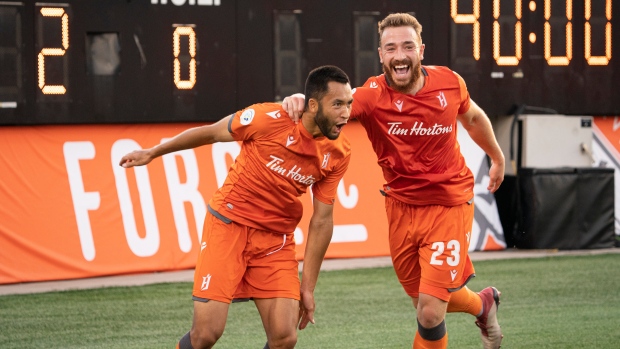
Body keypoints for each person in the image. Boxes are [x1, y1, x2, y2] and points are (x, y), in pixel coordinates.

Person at [283, 13, 505, 349]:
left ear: (421, 50)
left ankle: (478, 306)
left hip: (449, 204)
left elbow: (472, 117)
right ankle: (483, 304)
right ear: (381, 54)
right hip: (400, 208)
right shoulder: (371, 95)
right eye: (391, 48)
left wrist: (498, 157)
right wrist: (300, 102)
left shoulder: (449, 82)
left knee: (430, 312)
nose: (399, 54)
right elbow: (330, 108)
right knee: (425, 300)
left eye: (407, 46)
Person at [119, 65, 353, 349]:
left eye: (348, 104)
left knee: (285, 336)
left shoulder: (339, 151)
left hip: (275, 241)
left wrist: (308, 287)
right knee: (206, 334)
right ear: (313, 105)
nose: (346, 113)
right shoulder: (268, 118)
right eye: (337, 104)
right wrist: (153, 152)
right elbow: (212, 133)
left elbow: (322, 221)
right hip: (228, 226)